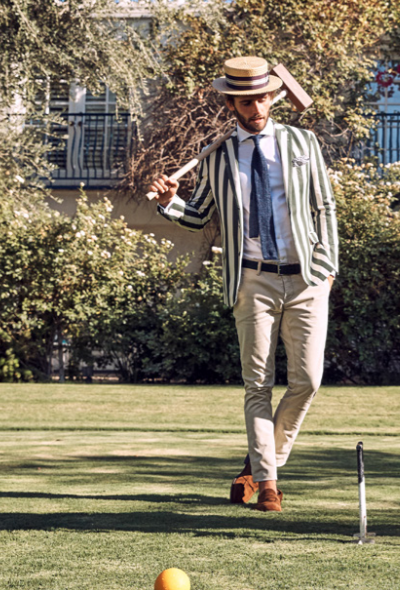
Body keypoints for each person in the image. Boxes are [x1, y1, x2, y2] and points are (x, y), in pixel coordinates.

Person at [149, 56, 338, 513]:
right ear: (231, 103)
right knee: (257, 384)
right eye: (246, 100)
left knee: (307, 381)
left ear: (273, 96)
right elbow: (198, 216)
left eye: (263, 97)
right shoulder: (217, 157)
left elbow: (324, 206)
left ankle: (255, 467)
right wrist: (170, 203)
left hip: (307, 278)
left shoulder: (302, 142)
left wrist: (328, 267)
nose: (256, 107)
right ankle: (269, 483)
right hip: (251, 278)